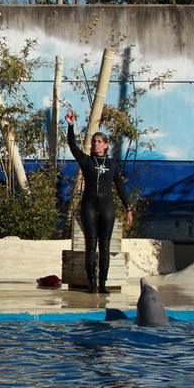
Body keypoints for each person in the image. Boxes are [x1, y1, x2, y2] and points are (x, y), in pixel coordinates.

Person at [65, 111, 133, 294]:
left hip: (107, 208)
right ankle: (91, 283)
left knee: (104, 246)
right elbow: (72, 146)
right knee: (90, 245)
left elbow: (120, 187)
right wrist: (70, 126)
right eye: (94, 141)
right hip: (89, 208)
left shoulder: (112, 164)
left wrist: (128, 208)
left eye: (100, 141)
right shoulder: (86, 161)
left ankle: (103, 284)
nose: (96, 144)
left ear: (106, 145)